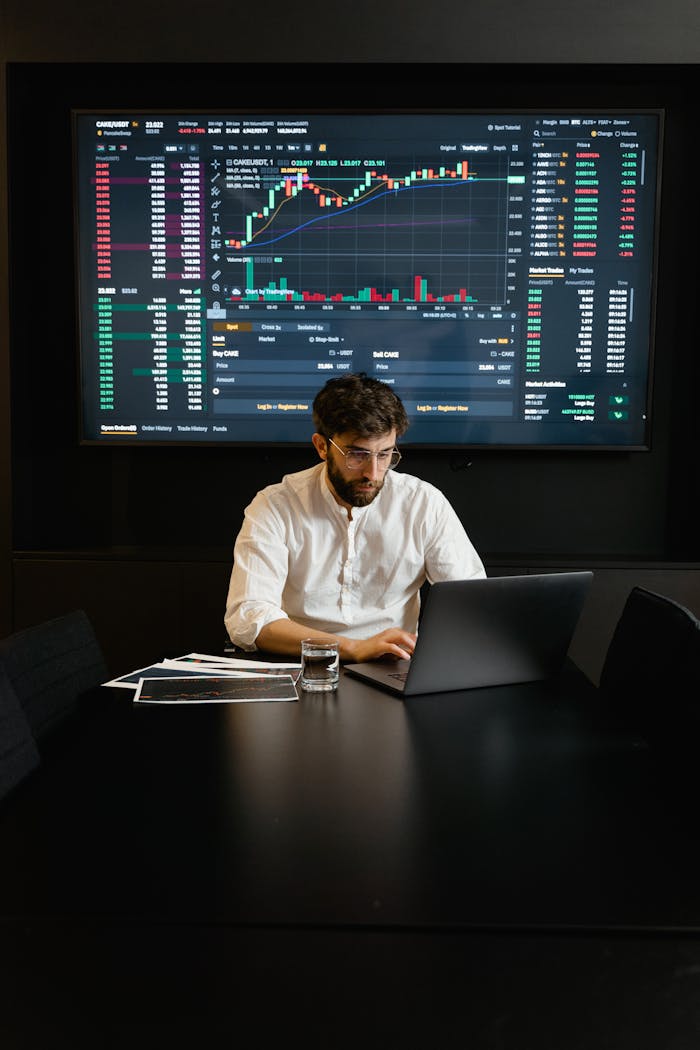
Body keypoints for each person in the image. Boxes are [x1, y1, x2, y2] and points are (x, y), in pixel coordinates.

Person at [224, 372, 485, 661]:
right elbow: (248, 620)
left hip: (395, 667)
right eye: (357, 455)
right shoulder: (275, 505)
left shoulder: (423, 503)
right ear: (322, 446)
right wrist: (352, 648)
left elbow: (472, 603)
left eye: (385, 454)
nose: (373, 473)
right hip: (301, 666)